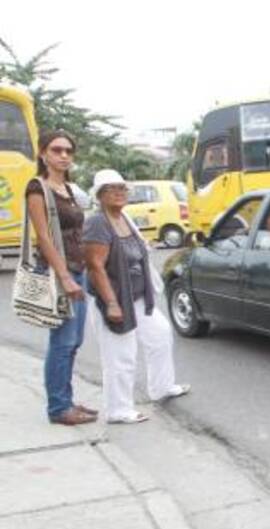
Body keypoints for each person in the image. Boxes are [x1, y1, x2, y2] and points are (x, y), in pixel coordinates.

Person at [83, 169, 190, 424]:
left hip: (138, 298)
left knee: (160, 335)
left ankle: (161, 387)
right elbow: (95, 266)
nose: (119, 193)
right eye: (111, 189)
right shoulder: (97, 223)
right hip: (114, 300)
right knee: (121, 356)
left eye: (122, 188)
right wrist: (111, 303)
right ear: (100, 195)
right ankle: (118, 410)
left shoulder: (124, 218)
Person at [26, 130, 95, 426]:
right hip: (60, 273)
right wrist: (65, 276)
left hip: (79, 270)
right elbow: (44, 237)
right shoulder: (37, 188)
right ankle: (58, 408)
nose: (64, 155)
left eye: (68, 150)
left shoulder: (67, 188)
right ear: (43, 153)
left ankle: (65, 399)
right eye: (56, 150)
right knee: (63, 342)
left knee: (74, 341)